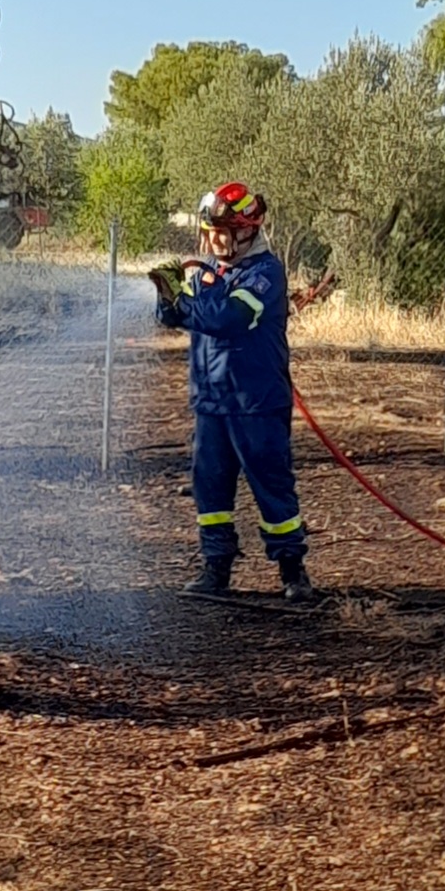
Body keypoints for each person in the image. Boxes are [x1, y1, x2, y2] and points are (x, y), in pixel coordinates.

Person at [149, 182, 315, 603]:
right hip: (211, 402)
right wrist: (166, 293)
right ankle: (216, 567)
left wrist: (184, 299)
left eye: (223, 232)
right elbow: (173, 317)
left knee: (271, 484)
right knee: (211, 488)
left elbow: (229, 317)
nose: (214, 240)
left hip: (256, 403)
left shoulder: (266, 274)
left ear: (247, 231)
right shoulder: (209, 272)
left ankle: (292, 571)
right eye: (210, 232)